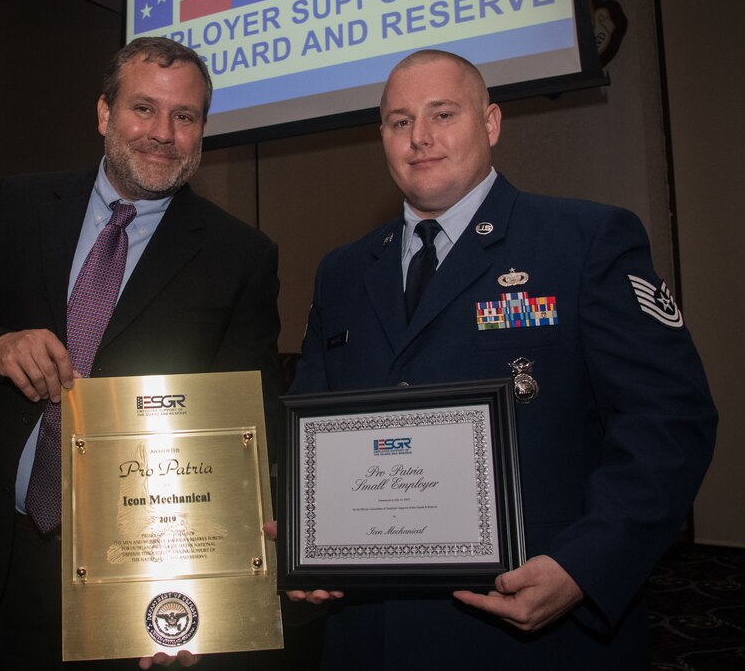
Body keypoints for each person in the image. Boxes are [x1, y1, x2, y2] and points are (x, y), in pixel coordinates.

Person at [286, 49, 717, 668]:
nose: (421, 138)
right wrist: (303, 537)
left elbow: (670, 422)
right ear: (382, 135)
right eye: (400, 121)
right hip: (370, 631)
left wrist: (584, 566)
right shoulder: (343, 271)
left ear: (490, 124)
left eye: (443, 114)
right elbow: (310, 420)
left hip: (529, 625)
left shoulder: (584, 241)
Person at [0, 37, 281, 670]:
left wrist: (203, 589)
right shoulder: (17, 206)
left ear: (202, 131)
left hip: (139, 573)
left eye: (184, 117)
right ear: (104, 113)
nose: (163, 133)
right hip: (0, 554)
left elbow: (247, 424)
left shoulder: (241, 256)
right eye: (143, 109)